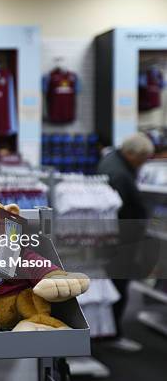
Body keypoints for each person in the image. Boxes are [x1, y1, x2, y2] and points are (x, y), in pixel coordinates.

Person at [97, 132, 155, 352]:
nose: (143, 163)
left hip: (116, 240)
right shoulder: (120, 174)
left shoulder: (111, 161)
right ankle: (112, 334)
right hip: (121, 241)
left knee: (113, 285)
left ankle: (108, 331)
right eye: (143, 158)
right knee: (117, 285)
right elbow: (123, 211)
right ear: (132, 154)